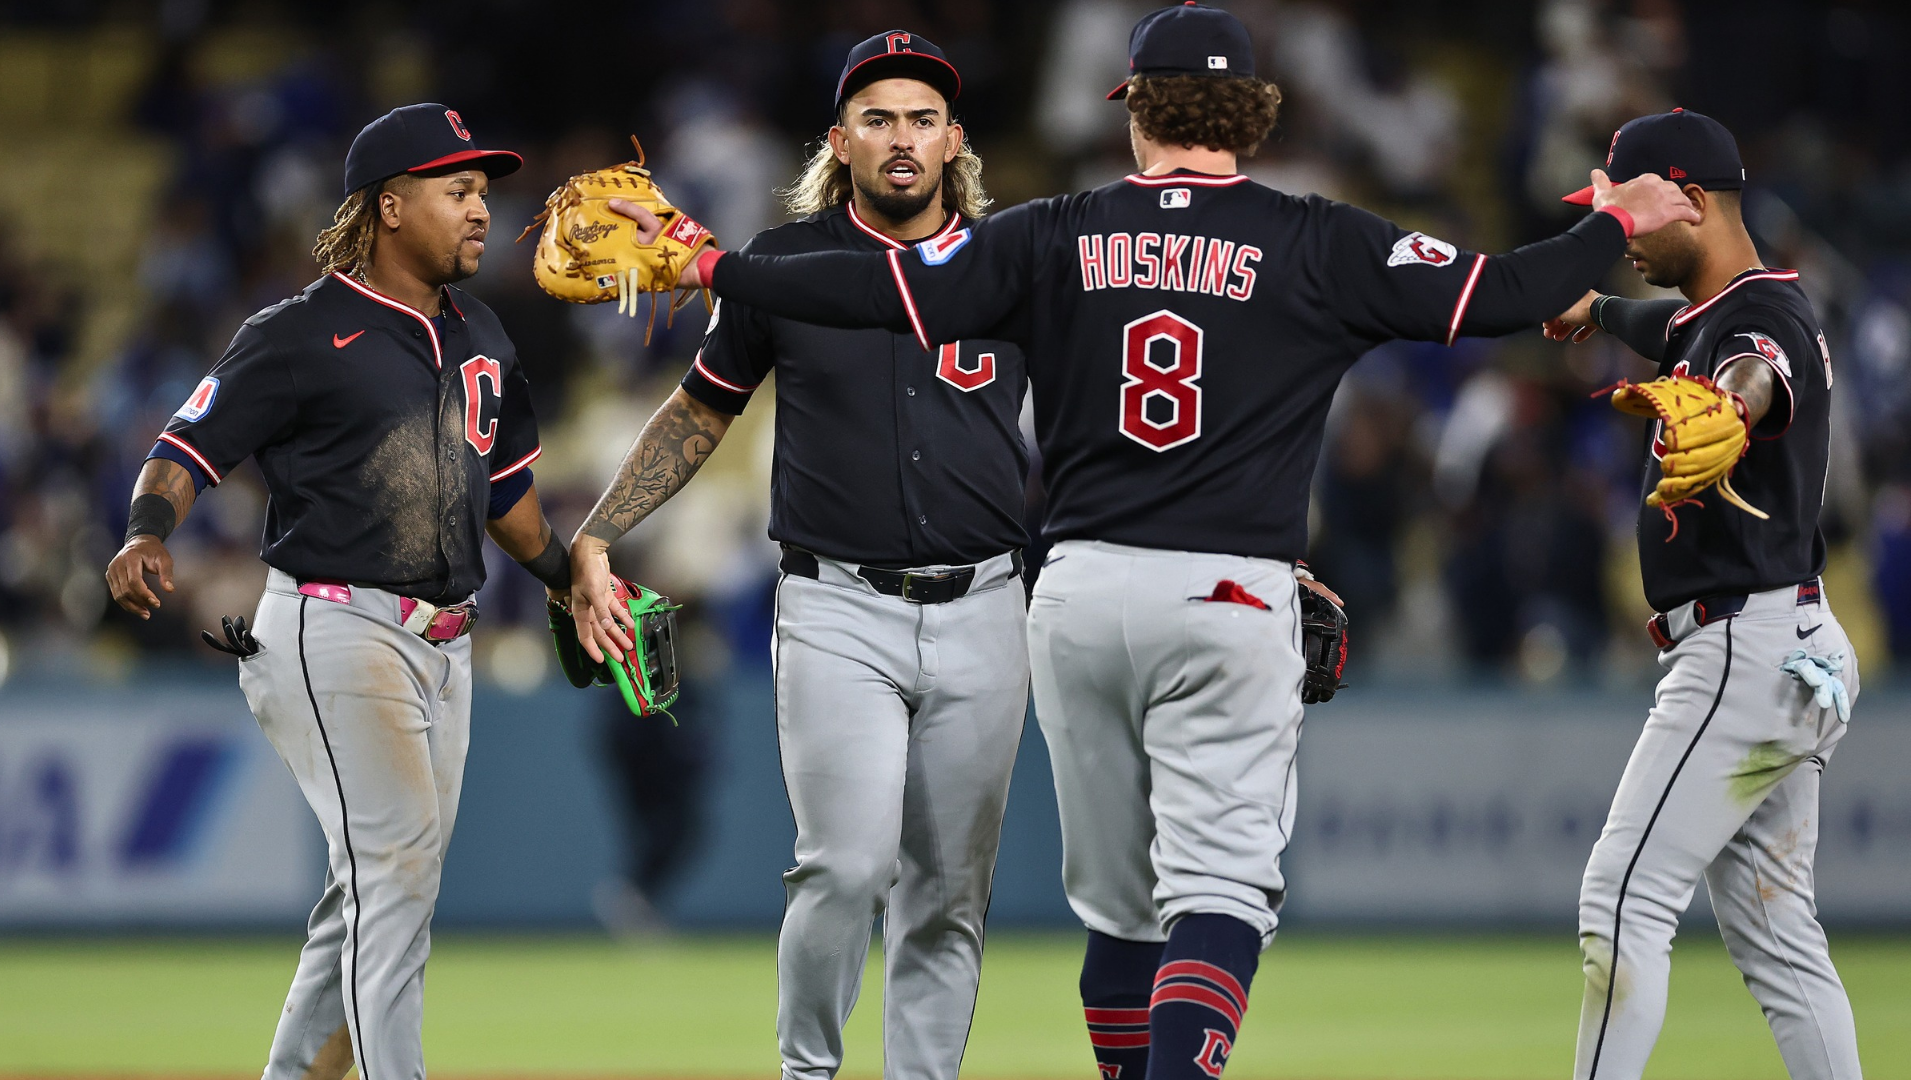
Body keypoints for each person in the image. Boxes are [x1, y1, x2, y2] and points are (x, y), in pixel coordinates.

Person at [627, 5, 1701, 1077]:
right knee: (1220, 896)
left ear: (1136, 110)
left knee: (1122, 914)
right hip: (1230, 588)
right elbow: (1510, 291)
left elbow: (881, 287)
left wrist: (715, 268)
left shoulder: (1055, 231)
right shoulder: (1320, 237)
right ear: (1257, 113)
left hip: (1078, 598)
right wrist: (1616, 219)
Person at [569, 33, 1031, 1080]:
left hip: (989, 603)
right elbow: (700, 411)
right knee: (844, 867)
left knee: (948, 894)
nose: (902, 137)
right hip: (839, 605)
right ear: (841, 140)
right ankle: (808, 1072)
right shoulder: (778, 262)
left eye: (922, 117)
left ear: (955, 139)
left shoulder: (1012, 265)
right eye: (878, 117)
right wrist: (598, 529)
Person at [104, 104, 571, 1080]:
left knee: (379, 883)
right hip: (334, 624)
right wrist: (148, 530)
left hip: (447, 644)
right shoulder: (301, 331)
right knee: (394, 872)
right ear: (391, 206)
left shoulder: (483, 329)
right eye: (458, 190)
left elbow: (510, 496)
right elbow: (188, 444)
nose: (482, 209)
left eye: (483, 190)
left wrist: (572, 581)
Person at [1543, 109, 1862, 1080]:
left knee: (1621, 896)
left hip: (1741, 648)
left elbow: (1751, 370)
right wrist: (1597, 311)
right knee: (1777, 935)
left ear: (1691, 197)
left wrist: (1730, 404)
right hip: (1788, 642)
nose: (1618, 233)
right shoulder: (1720, 309)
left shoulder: (1760, 324)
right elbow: (1673, 331)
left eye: (1628, 213)